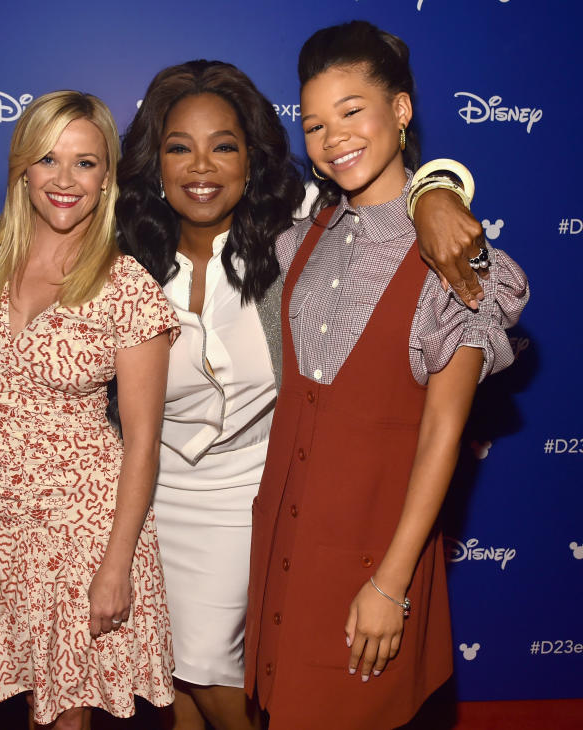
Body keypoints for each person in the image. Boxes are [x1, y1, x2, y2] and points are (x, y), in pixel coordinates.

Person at [115, 60, 506, 730]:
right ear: (155, 164)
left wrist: (435, 193)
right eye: (179, 147)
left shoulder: (294, 233)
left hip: (253, 505)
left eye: (225, 146)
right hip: (147, 511)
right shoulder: (122, 254)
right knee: (172, 687)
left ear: (253, 159)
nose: (201, 166)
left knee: (223, 677)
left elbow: (380, 191)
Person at [243, 21, 528, 730]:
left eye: (351, 111)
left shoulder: (456, 259)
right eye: (312, 122)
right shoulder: (295, 241)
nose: (332, 136)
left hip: (374, 559)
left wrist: (393, 584)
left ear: (401, 111)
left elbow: (443, 431)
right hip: (285, 549)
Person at [0, 90, 179, 729]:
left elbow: (141, 441)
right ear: (22, 166)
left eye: (86, 162)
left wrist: (117, 564)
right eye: (48, 159)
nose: (65, 179)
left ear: (108, 176)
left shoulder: (127, 287)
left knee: (67, 716)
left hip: (82, 525)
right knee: (29, 705)